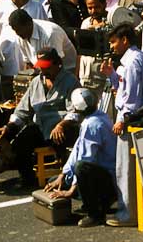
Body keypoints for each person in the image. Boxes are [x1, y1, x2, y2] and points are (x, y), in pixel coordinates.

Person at [0, 48, 80, 191]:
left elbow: (75, 111)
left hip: (61, 126)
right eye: (41, 67)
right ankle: (27, 179)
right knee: (19, 143)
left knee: (63, 141)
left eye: (46, 67)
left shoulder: (70, 81)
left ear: (57, 64)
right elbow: (23, 110)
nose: (43, 71)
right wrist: (9, 126)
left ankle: (67, 179)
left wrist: (61, 125)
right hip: (40, 125)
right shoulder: (36, 81)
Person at [100, 24, 143, 228]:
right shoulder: (142, 58)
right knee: (136, 167)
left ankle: (129, 213)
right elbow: (125, 88)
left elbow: (131, 98)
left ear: (124, 40)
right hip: (141, 118)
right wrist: (112, 75)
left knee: (126, 168)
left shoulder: (132, 62)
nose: (111, 46)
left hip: (131, 120)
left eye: (114, 41)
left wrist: (122, 119)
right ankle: (137, 210)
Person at [44, 87, 117, 227]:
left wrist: (70, 191)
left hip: (108, 180)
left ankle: (95, 214)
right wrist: (63, 174)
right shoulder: (97, 116)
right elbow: (77, 149)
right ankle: (96, 201)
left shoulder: (92, 125)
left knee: (81, 168)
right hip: (103, 175)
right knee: (56, 181)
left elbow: (85, 160)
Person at [8, 11, 77, 72]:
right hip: (42, 71)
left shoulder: (51, 33)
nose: (17, 33)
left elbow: (56, 65)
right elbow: (28, 63)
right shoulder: (20, 35)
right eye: (15, 30)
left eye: (19, 30)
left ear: (29, 24)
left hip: (66, 70)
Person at [78, 0, 110, 94]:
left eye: (96, 7)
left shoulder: (111, 21)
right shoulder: (85, 23)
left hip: (102, 77)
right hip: (86, 76)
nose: (93, 11)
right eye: (89, 8)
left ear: (104, 4)